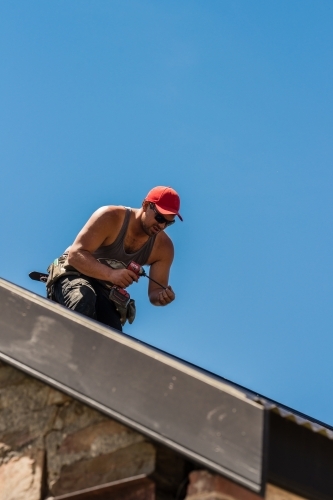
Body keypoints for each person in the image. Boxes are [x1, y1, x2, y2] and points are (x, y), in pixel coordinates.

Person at [48, 186, 182, 331]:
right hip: (73, 274)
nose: (161, 225)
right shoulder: (110, 217)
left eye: (168, 223)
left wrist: (162, 297)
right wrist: (111, 274)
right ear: (145, 205)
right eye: (159, 218)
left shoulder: (163, 248)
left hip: (104, 290)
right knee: (83, 300)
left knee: (112, 333)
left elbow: (155, 293)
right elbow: (75, 255)